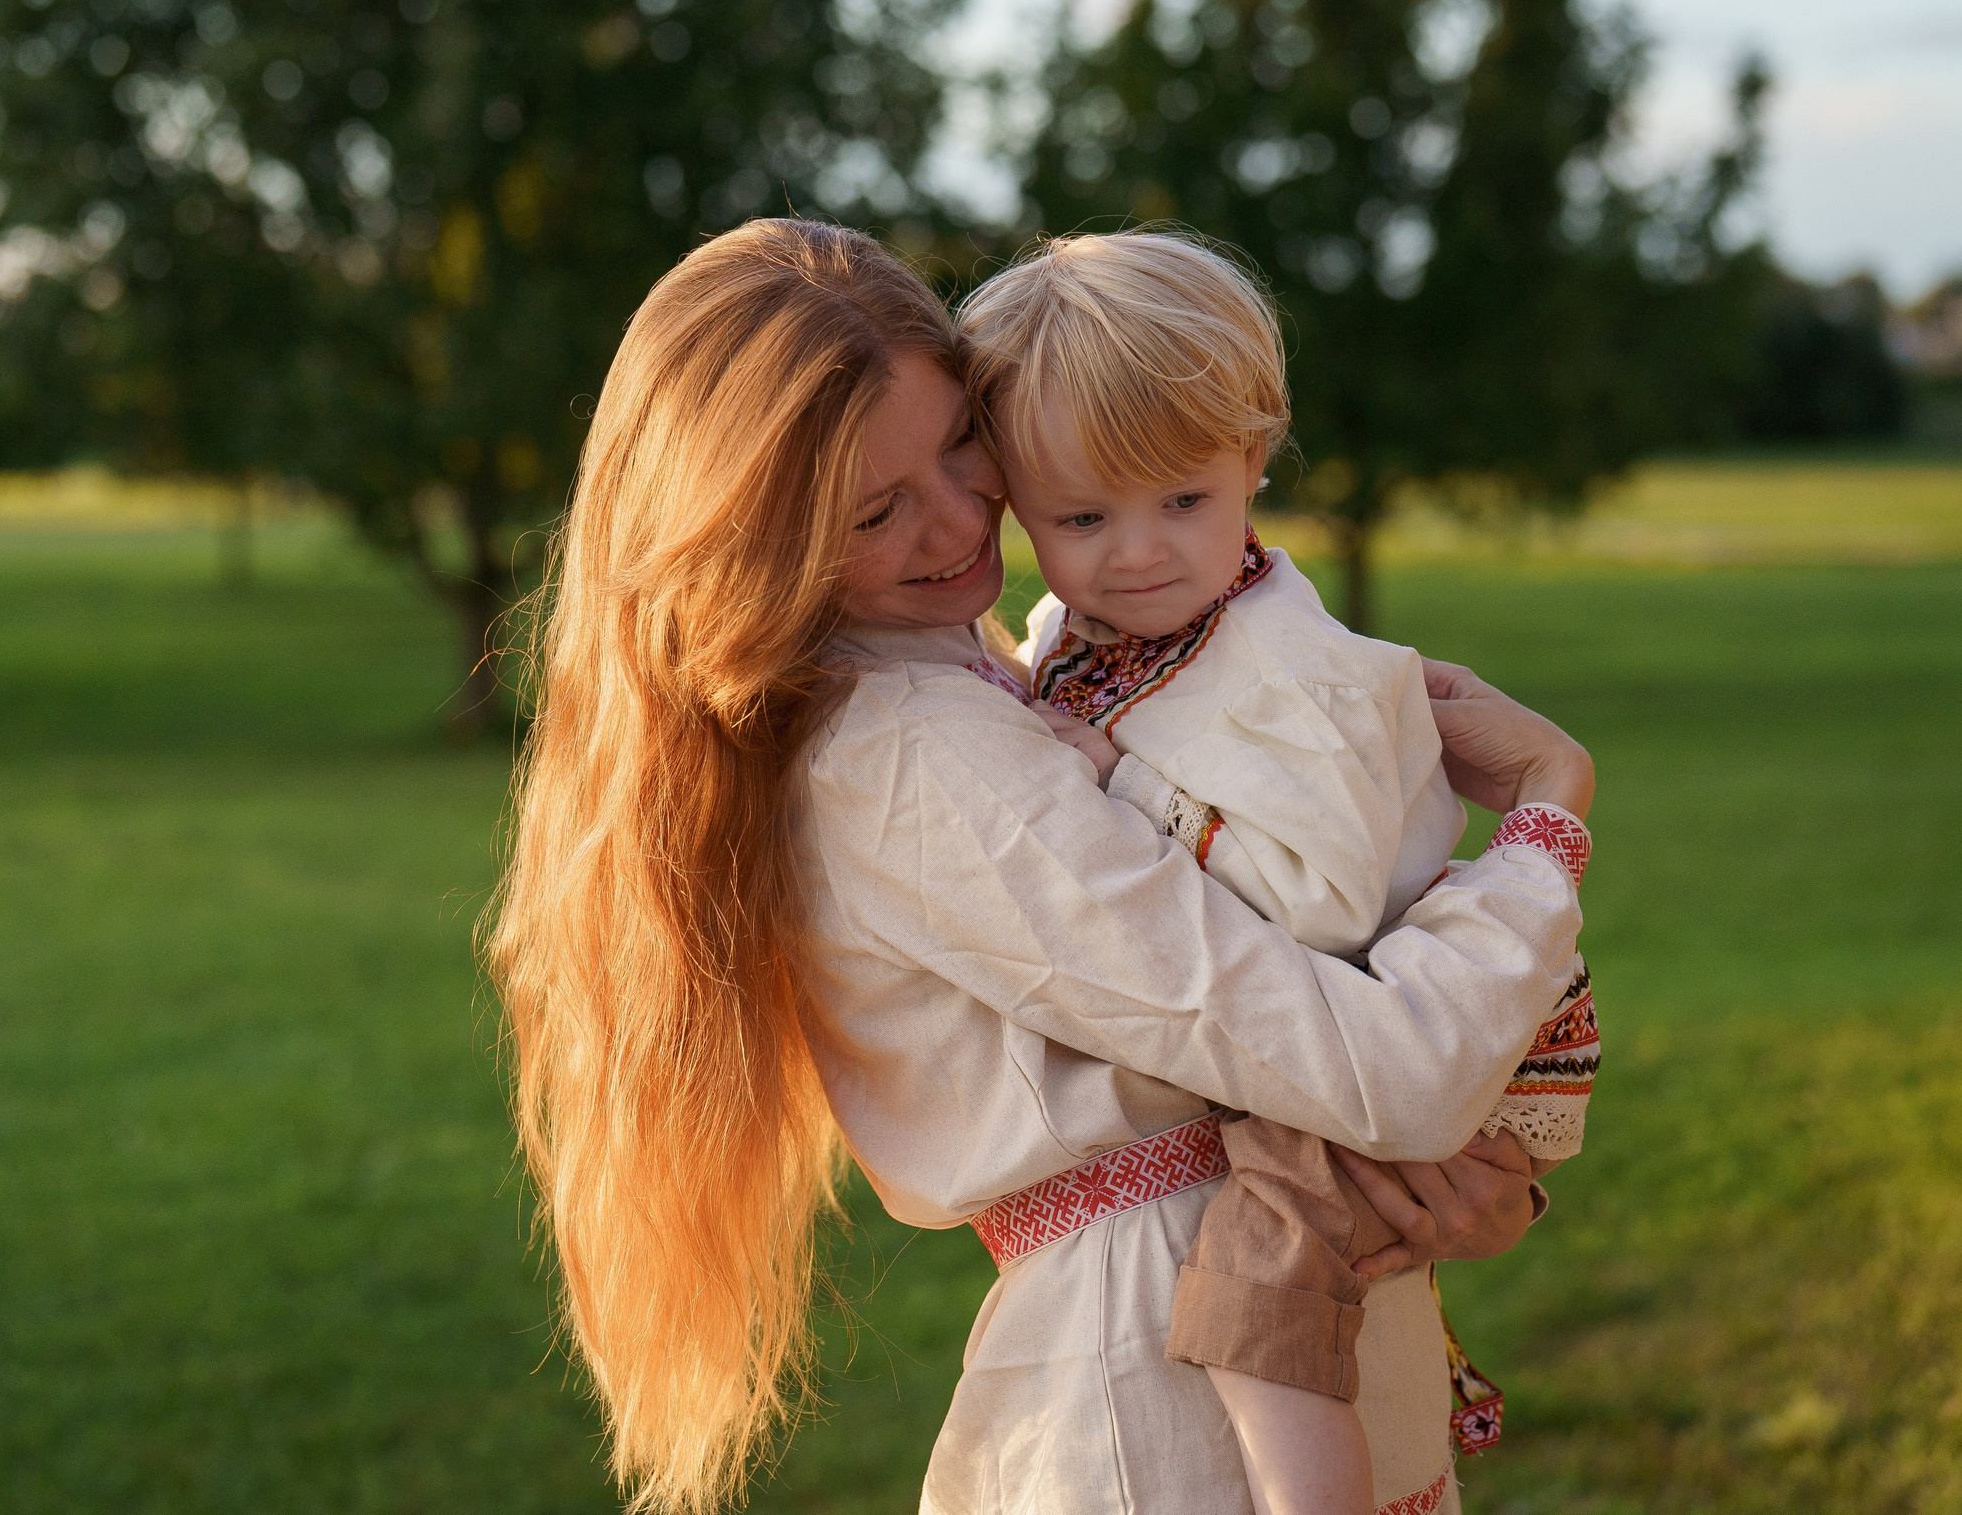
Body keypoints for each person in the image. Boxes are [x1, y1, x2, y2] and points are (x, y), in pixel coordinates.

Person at [485, 219, 1594, 1515]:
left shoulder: (974, 678)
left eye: (961, 443)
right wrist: (1544, 815)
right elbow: (1388, 1068)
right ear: (762, 543)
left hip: (1242, 1338)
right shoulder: (907, 750)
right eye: (876, 510)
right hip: (1169, 1406)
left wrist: (1474, 1176)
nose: (962, 522)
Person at [962, 231, 1598, 1515]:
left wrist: (1103, 787)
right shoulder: (1076, 637)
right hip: (1331, 1051)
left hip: (1414, 1020)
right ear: (1014, 504)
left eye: (1183, 500)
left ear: (1252, 455)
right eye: (1082, 516)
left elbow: (1311, 912)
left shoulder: (1293, 678)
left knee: (1265, 1266)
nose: (1136, 551)